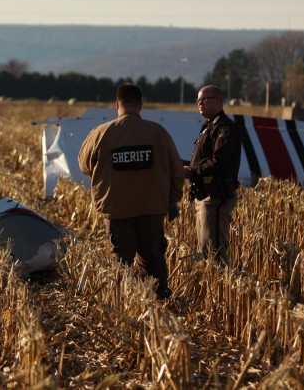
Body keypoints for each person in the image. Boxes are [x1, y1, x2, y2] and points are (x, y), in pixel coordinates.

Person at [78, 83, 185, 299]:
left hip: (116, 209)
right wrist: (172, 200)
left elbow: (84, 164)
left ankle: (122, 302)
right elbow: (176, 170)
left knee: (121, 260)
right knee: (152, 258)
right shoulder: (158, 133)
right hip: (152, 207)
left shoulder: (101, 133)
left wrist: (108, 175)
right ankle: (158, 300)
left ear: (117, 104)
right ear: (141, 105)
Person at [184, 85, 242, 265]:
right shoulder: (209, 127)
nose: (200, 103)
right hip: (205, 194)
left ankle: (225, 290)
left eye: (204, 99)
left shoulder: (223, 128)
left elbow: (219, 162)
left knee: (214, 253)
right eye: (198, 100)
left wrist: (192, 171)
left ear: (218, 101)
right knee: (205, 251)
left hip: (215, 195)